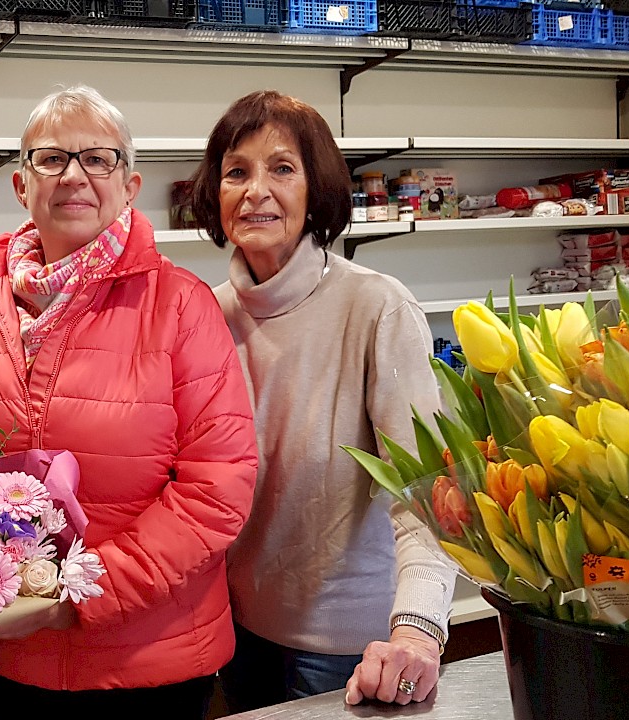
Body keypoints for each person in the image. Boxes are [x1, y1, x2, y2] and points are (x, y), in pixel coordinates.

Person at [0, 86, 258, 720]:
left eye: (98, 158)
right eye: (50, 158)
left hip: (149, 663)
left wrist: (76, 595)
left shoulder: (182, 308)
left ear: (130, 185)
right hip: (17, 661)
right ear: (21, 185)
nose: (74, 175)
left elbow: (216, 491)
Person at [189, 90, 457, 711]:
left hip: (349, 643)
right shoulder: (204, 313)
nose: (256, 189)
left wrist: (418, 626)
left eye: (282, 168)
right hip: (235, 627)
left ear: (318, 190)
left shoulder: (376, 306)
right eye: (236, 171)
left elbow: (425, 491)